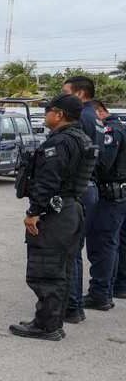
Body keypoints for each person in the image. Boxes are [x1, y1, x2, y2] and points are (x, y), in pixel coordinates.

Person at [10, 94, 96, 340]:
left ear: (59, 114)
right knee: (62, 269)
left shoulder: (58, 143)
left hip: (55, 213)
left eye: (48, 110)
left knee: (46, 269)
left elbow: (48, 182)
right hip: (71, 209)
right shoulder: (82, 138)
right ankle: (50, 321)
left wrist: (33, 213)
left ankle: (46, 326)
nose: (45, 114)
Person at [62, 75, 103, 323]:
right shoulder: (93, 117)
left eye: (65, 91)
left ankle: (72, 306)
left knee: (70, 249)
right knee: (74, 248)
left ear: (79, 94)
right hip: (89, 186)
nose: (63, 95)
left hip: (78, 189)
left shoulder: (82, 119)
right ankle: (73, 303)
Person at [84, 100, 126, 310]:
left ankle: (100, 293)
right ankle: (114, 287)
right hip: (118, 195)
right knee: (115, 243)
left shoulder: (111, 130)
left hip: (111, 196)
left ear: (100, 111)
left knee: (103, 244)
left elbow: (102, 164)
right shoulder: (121, 127)